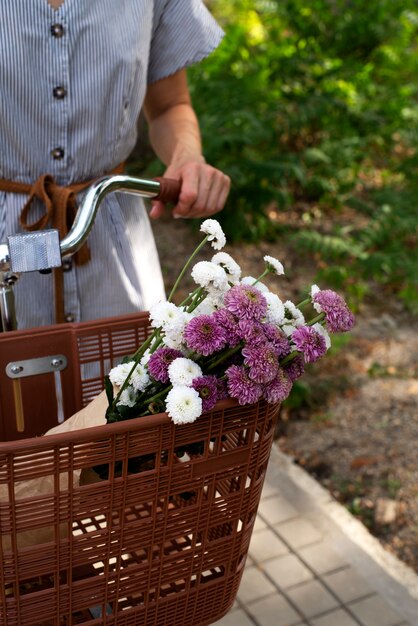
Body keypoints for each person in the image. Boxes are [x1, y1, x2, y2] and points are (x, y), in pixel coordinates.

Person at [0, 0, 230, 330]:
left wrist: (187, 156)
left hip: (114, 245)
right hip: (6, 246)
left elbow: (169, 106)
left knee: (126, 377)